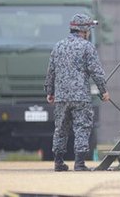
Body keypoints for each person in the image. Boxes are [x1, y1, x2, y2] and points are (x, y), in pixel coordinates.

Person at [45, 13, 110, 172]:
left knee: (60, 128)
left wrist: (50, 91)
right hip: (80, 96)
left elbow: (51, 72)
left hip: (61, 97)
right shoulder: (87, 46)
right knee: (82, 127)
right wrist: (104, 91)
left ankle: (58, 162)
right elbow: (96, 71)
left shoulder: (58, 46)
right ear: (84, 30)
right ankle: (79, 163)